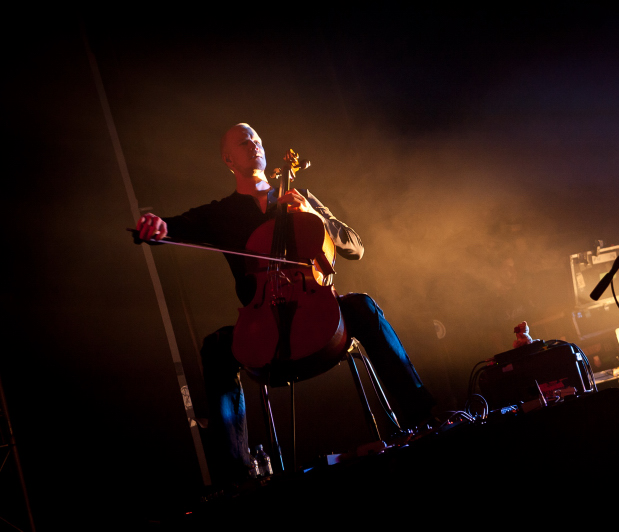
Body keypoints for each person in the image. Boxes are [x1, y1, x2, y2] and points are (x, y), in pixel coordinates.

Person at [136, 123, 435, 483]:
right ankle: (235, 477)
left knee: (363, 308)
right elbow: (175, 227)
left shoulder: (298, 195)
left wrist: (314, 212)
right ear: (228, 158)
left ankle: (426, 421)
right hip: (263, 325)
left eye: (257, 139)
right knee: (216, 348)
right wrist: (157, 226)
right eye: (244, 141)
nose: (254, 144)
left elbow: (355, 247)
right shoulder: (221, 213)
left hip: (318, 313)